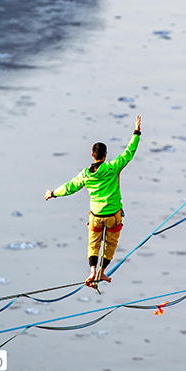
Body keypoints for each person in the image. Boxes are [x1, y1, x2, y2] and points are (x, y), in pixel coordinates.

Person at [45, 116, 142, 286]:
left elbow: (70, 186)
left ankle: (92, 270)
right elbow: (129, 152)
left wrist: (53, 193)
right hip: (113, 216)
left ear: (92, 155)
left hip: (96, 216)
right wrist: (136, 132)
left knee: (94, 244)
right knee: (110, 244)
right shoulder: (113, 167)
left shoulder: (85, 174)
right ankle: (102, 272)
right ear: (105, 156)